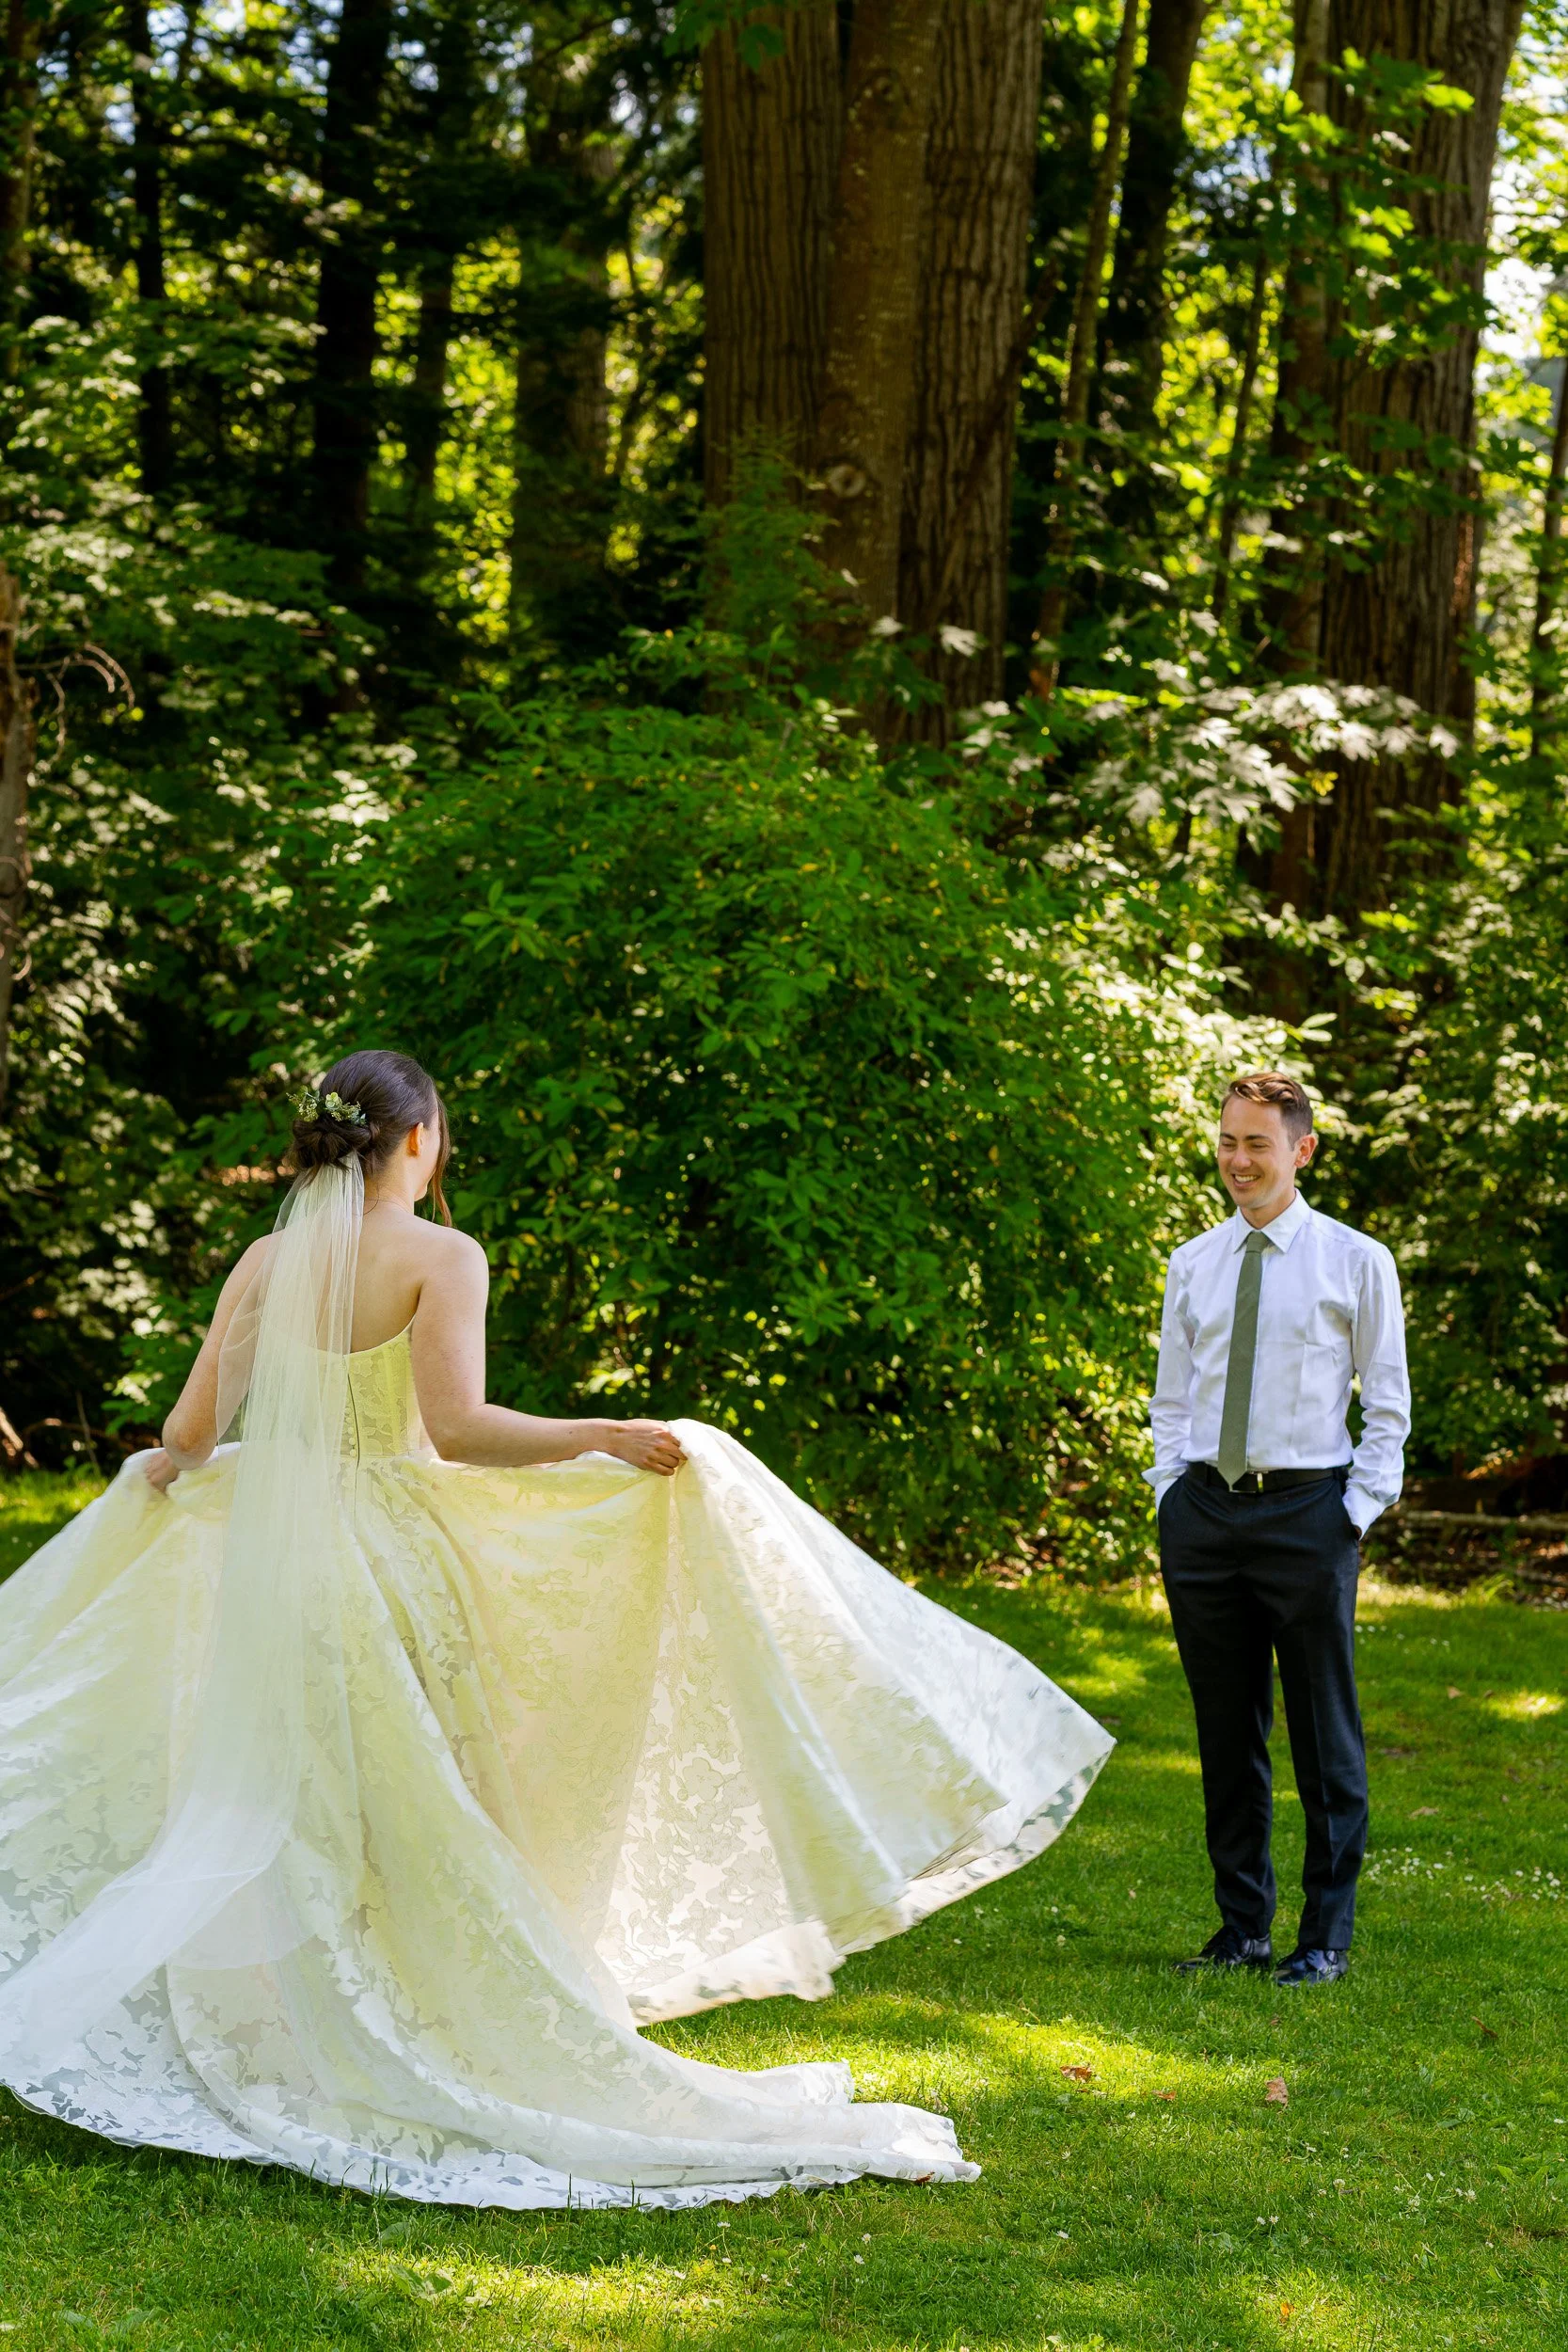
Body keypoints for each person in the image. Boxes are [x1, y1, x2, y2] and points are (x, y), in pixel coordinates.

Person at [0, 1049, 1113, 2209]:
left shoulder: (267, 1263)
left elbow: (187, 1428)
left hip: (268, 1572)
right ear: (419, 1138)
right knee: (425, 1794)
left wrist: (166, 1473)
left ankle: (298, 2021)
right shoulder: (442, 1254)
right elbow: (461, 1427)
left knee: (299, 1793)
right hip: (388, 1557)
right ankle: (415, 2011)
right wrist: (605, 1433)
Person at [1149, 1071, 1410, 1989]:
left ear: (1300, 1150)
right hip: (1204, 1515)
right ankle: (1242, 1929)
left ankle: (1323, 1938)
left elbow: (1386, 1405)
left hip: (1308, 1513)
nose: (1235, 1160)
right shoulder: (1193, 1261)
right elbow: (1172, 1399)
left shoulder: (1353, 1260)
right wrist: (1166, 1497)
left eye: (1255, 1143)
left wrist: (1352, 1510)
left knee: (1321, 1734)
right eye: (1226, 1140)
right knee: (1226, 1732)